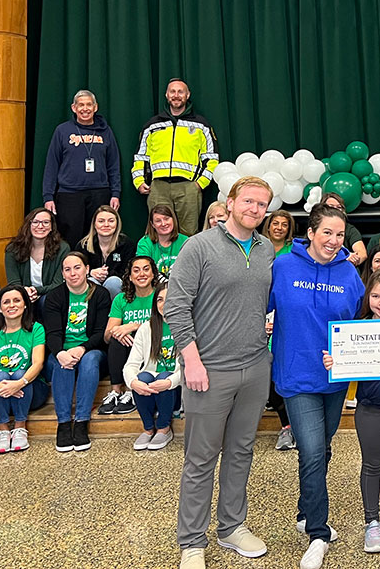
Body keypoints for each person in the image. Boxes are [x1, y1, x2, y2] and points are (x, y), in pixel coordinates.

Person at [166, 176, 275, 569]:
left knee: (242, 452)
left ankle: (231, 527)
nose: (255, 210)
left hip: (255, 367)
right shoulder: (200, 246)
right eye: (248, 201)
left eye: (262, 205)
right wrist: (191, 360)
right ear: (230, 203)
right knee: (200, 459)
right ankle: (192, 542)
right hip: (208, 371)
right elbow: (175, 307)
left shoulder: (265, 249)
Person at [270, 203, 366, 569]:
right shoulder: (283, 266)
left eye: (340, 235)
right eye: (326, 232)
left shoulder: (348, 274)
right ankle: (318, 533)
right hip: (297, 376)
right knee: (310, 450)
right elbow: (258, 306)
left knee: (322, 449)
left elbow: (358, 325)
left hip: (335, 378)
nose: (333, 240)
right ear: (310, 233)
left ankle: (304, 510)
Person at [323, 268, 380, 555]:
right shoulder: (357, 327)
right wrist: (334, 361)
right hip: (369, 410)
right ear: (368, 298)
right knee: (372, 464)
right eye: (375, 295)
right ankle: (371, 522)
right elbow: (346, 364)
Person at [132, 78, 219, 236]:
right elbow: (140, 157)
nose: (176, 95)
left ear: (187, 95)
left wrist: (200, 184)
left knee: (189, 235)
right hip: (158, 187)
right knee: (158, 232)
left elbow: (212, 159)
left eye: (181, 92)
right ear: (166, 94)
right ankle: (159, 262)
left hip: (188, 187)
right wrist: (138, 181)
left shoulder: (201, 125)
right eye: (173, 91)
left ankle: (188, 262)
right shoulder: (152, 125)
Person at [44, 251, 111, 452]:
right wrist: (60, 353)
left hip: (92, 350)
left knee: (89, 361)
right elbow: (52, 333)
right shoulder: (55, 296)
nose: (73, 273)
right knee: (62, 364)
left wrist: (83, 348)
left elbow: (100, 332)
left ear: (87, 269)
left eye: (77, 267)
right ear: (62, 274)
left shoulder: (100, 294)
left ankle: (81, 421)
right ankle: (63, 423)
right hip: (62, 351)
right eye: (67, 269)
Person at [42, 89, 122, 248]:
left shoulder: (106, 131)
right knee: (70, 238)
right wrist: (48, 196)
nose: (85, 109)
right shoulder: (62, 131)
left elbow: (113, 164)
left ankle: (95, 270)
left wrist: (115, 193)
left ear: (95, 107)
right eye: (81, 105)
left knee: (98, 238)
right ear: (74, 108)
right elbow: (52, 165)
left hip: (99, 192)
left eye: (88, 105)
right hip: (69, 194)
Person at [0, 284, 49, 455]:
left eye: (17, 300)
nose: (12, 305)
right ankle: (2, 431)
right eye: (6, 302)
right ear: (0, 309)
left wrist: (18, 383)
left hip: (30, 391)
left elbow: (37, 363)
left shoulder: (36, 328)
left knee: (19, 373)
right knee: (0, 374)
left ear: (25, 305)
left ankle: (19, 428)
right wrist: (0, 387)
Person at [124, 282, 180, 451]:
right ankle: (148, 429)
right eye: (160, 300)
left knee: (164, 376)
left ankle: (164, 428)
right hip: (152, 389)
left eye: (169, 299)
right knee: (142, 377)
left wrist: (170, 382)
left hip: (176, 388)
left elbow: (188, 368)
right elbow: (131, 365)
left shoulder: (187, 326)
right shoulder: (146, 329)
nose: (164, 304)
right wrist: (132, 382)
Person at [100, 256, 159, 416]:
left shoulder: (160, 296)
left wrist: (133, 326)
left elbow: (166, 328)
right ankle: (117, 392)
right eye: (136, 270)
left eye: (146, 269)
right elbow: (106, 336)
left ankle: (132, 391)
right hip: (128, 350)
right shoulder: (122, 299)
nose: (142, 274)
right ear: (130, 277)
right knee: (116, 339)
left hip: (154, 348)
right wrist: (118, 332)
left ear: (153, 274)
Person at [3, 207, 71, 305]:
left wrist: (36, 290)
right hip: (22, 294)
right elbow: (14, 283)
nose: (40, 226)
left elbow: (58, 284)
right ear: (28, 225)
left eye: (46, 222)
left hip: (50, 296)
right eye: (35, 222)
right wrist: (25, 292)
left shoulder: (63, 248)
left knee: (46, 302)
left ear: (52, 226)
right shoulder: (13, 249)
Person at [78, 205, 138, 298]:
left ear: (117, 223)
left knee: (113, 282)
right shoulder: (83, 245)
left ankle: (117, 311)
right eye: (101, 221)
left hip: (118, 286)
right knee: (91, 282)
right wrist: (90, 273)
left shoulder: (127, 244)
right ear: (94, 224)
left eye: (111, 221)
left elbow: (128, 271)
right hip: (92, 284)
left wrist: (107, 274)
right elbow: (76, 269)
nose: (106, 225)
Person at [137, 204, 189, 279]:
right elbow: (144, 270)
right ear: (152, 224)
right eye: (158, 221)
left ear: (173, 219)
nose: (163, 224)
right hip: (154, 286)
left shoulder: (185, 241)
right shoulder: (145, 243)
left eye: (166, 219)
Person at [321, 192, 366, 266]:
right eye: (331, 207)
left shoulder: (349, 229)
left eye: (339, 207)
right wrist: (343, 257)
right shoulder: (316, 229)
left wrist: (347, 262)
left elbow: (362, 254)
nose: (335, 210)